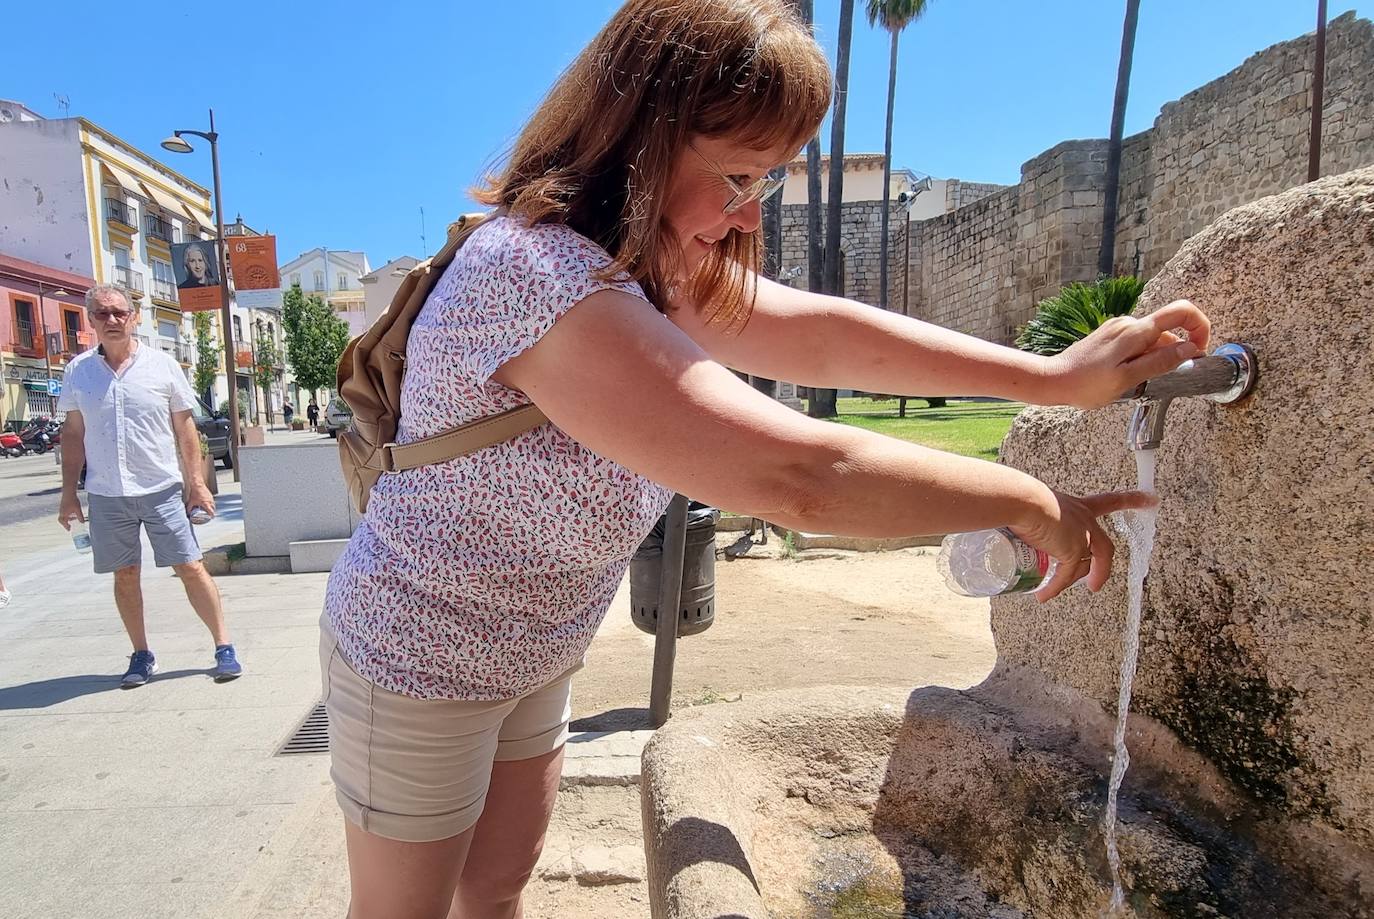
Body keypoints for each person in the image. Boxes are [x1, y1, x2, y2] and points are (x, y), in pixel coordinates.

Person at [320, 2, 1211, 917]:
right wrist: (1025, 499)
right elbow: (798, 478)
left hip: (538, 644)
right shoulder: (533, 275)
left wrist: (1053, 378)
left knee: (498, 884)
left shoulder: (644, 262)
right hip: (420, 652)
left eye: (769, 180)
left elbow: (824, 339)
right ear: (642, 135)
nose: (748, 213)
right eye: (736, 175)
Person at [57, 285, 242, 688]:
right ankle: (141, 654)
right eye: (102, 314)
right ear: (90, 321)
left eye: (119, 312)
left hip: (160, 488)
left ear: (134, 316)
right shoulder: (79, 372)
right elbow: (73, 433)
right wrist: (69, 493)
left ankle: (223, 645)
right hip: (107, 493)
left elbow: (186, 429)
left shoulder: (162, 366)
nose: (112, 320)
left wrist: (197, 484)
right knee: (124, 575)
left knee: (191, 566)